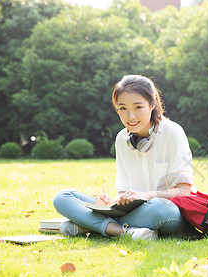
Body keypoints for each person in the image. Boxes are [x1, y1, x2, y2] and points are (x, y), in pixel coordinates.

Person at [53, 75, 194, 241]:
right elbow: (123, 192)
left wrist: (146, 195)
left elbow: (185, 191)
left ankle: (88, 225)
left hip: (165, 210)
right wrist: (111, 203)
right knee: (63, 197)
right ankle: (124, 231)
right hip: (133, 212)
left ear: (152, 103)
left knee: (160, 209)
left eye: (138, 107)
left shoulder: (172, 132)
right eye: (123, 108)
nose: (131, 116)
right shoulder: (122, 138)